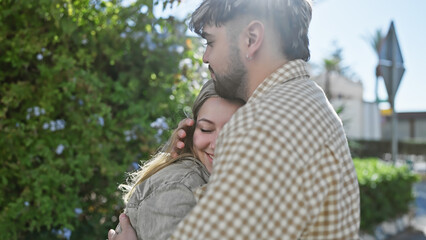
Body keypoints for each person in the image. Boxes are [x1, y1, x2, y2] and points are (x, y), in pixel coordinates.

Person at [111, 0, 361, 239]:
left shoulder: (261, 125)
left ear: (251, 38)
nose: (204, 57)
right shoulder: (311, 104)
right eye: (207, 128)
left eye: (210, 41)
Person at [108, 79, 242, 240]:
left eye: (234, 130)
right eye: (206, 129)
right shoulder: (180, 187)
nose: (217, 144)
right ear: (192, 130)